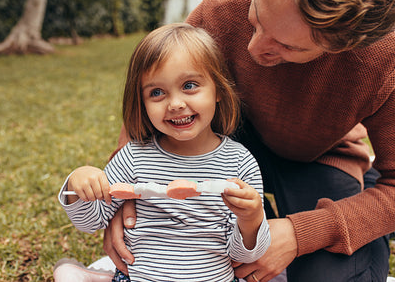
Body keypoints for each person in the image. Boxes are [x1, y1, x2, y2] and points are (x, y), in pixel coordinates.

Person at [104, 0, 395, 282]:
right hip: (223, 145)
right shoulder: (220, 9)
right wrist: (125, 200)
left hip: (318, 157)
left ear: (346, 44)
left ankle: (367, 184)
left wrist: (297, 234)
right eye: (257, 16)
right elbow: (144, 123)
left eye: (288, 46)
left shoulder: (385, 57)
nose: (253, 48)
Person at [58, 23, 271, 282]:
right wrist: (77, 183)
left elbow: (243, 254)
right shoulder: (133, 157)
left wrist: (251, 220)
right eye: (157, 92)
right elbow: (91, 221)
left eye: (190, 85)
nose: (176, 104)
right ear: (142, 102)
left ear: (218, 90)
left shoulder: (240, 162)